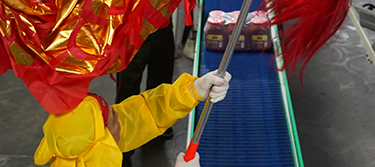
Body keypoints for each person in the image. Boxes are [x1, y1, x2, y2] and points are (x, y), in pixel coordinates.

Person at [33, 69, 231, 167]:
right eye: (114, 119)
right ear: (104, 146)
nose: (120, 117)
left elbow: (145, 113)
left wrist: (193, 90)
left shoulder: (81, 145)